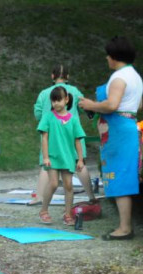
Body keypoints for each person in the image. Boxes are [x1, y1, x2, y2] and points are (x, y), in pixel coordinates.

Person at [79, 36, 143, 240]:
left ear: (115, 57)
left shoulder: (119, 78)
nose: (107, 58)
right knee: (125, 173)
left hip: (117, 130)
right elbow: (139, 106)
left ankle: (124, 228)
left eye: (108, 55)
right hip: (129, 125)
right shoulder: (135, 76)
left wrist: (90, 105)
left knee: (118, 175)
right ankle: (125, 225)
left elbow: (112, 105)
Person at [31, 64, 96, 205]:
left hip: (51, 136)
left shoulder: (44, 93)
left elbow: (37, 114)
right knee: (79, 164)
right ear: (67, 77)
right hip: (71, 134)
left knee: (46, 165)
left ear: (52, 76)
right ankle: (91, 196)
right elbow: (85, 108)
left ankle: (39, 197)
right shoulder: (74, 91)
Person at [38, 86, 85, 225]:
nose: (56, 104)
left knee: (68, 185)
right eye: (53, 101)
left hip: (68, 158)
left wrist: (80, 159)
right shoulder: (47, 117)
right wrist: (45, 157)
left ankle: (68, 214)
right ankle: (44, 211)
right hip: (52, 157)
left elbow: (78, 140)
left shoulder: (74, 119)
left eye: (58, 100)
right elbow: (44, 138)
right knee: (53, 183)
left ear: (66, 99)